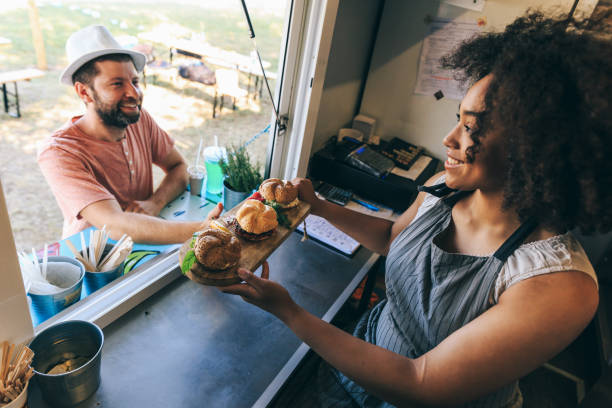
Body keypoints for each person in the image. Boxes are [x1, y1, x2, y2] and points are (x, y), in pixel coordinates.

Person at [221, 11, 612, 407]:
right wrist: (319, 207)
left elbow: (420, 382)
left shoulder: (559, 285)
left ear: (537, 148)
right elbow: (394, 237)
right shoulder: (445, 190)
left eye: (471, 128)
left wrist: (287, 310)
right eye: (457, 120)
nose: (449, 138)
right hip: (362, 357)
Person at [38, 25, 221, 244]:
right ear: (84, 91)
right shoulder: (58, 152)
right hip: (94, 257)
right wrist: (201, 229)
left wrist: (155, 202)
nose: (134, 94)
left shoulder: (139, 119)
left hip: (149, 237)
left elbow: (178, 167)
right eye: (117, 84)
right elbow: (115, 224)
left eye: (135, 81)